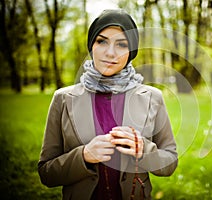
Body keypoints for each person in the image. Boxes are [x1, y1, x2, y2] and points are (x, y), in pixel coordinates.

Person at [38, 9, 178, 200]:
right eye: (101, 41)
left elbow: (169, 163)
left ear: (131, 51)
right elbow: (46, 173)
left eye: (121, 44)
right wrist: (84, 156)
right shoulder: (63, 98)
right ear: (91, 45)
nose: (110, 52)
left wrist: (144, 150)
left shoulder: (153, 97)